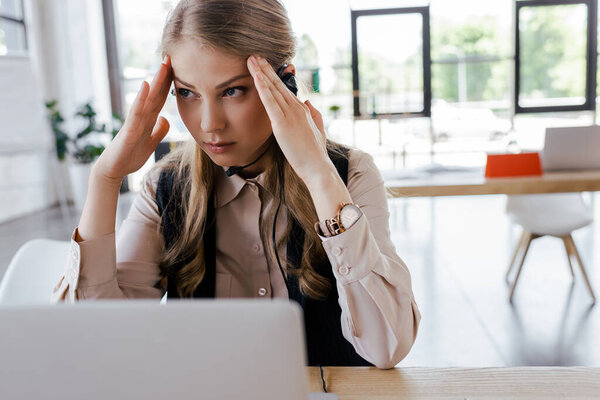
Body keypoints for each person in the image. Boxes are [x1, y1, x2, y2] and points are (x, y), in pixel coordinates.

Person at [52, 0, 420, 369]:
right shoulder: (164, 188)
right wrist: (105, 179)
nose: (209, 124)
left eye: (232, 91)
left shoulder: (350, 174)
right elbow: (96, 344)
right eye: (187, 92)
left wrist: (319, 175)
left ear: (284, 83)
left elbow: (387, 348)